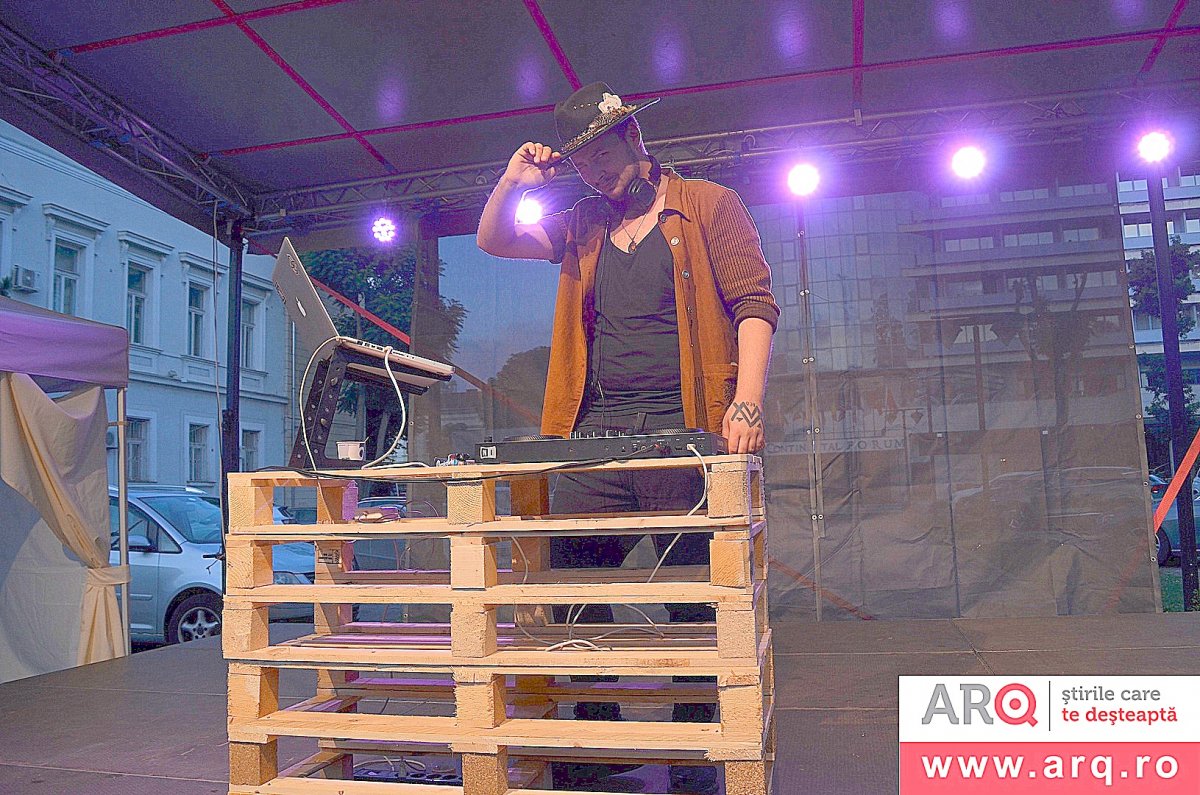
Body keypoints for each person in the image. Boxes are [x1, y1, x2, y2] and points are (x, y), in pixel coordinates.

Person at [477, 82, 777, 794]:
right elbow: (494, 239)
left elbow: (754, 304)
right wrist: (514, 179)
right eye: (582, 166)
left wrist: (746, 403)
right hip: (598, 439)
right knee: (571, 583)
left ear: (635, 139)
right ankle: (598, 738)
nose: (595, 175)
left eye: (604, 159)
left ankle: (695, 752)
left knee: (696, 600)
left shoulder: (707, 204)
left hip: (684, 434)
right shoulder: (583, 223)